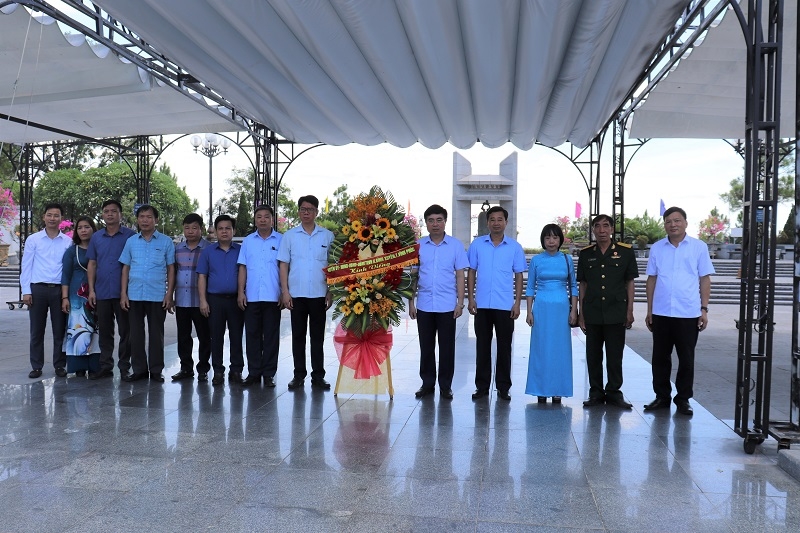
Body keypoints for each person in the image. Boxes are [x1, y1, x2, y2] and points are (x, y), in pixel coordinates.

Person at [644, 206, 714, 416]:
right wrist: (649, 310)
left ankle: (683, 399)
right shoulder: (657, 248)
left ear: (685, 222)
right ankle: (662, 396)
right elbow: (651, 279)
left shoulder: (698, 247)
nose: (673, 224)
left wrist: (704, 309)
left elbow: (705, 278)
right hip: (662, 312)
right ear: (664, 224)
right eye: (668, 221)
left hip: (688, 312)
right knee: (660, 358)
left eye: (677, 220)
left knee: (686, 359)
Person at [577, 214, 638, 408]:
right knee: (593, 355)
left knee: (614, 355)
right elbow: (583, 284)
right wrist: (581, 313)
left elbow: (630, 283)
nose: (601, 230)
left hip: (616, 310)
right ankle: (595, 392)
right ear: (593, 230)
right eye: (597, 226)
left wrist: (629, 310)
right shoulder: (586, 254)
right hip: (593, 310)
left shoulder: (625, 252)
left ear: (612, 229)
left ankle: (613, 392)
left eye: (606, 226)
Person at [409, 204, 469, 400]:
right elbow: (413, 276)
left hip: (447, 305)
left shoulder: (455, 246)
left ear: (445, 222)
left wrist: (460, 302)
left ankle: (445, 386)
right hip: (424, 304)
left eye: (439, 220)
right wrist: (411, 302)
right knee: (426, 347)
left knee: (446, 347)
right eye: (431, 220)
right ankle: (427, 384)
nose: (435, 224)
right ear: (426, 223)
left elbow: (460, 275)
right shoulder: (418, 246)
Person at [467, 205, 526, 401]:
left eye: (500, 219)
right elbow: (471, 272)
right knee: (482, 346)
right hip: (482, 304)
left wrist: (517, 303)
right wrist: (471, 298)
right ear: (487, 222)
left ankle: (503, 387)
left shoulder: (514, 247)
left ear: (506, 223)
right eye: (492, 219)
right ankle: (482, 387)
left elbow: (518, 276)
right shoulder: (477, 245)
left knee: (504, 346)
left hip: (504, 305)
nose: (496, 223)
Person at [278, 195, 334, 391]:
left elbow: (333, 266)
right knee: (298, 337)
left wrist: (331, 291)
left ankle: (318, 376)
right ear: (299, 211)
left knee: (317, 337)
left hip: (319, 294)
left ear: (317, 212)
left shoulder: (327, 236)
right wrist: (285, 292)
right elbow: (283, 264)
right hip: (297, 294)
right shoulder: (290, 236)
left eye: (310, 209)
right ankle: (298, 375)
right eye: (303, 209)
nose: (306, 212)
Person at [119, 204, 175, 382]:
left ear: (156, 220)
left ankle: (156, 370)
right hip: (134, 294)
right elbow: (125, 269)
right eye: (141, 217)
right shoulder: (131, 241)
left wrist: (169, 294)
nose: (145, 220)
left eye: (149, 217)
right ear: (137, 219)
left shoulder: (166, 242)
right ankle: (139, 370)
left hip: (157, 294)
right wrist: (123, 293)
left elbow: (171, 269)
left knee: (156, 334)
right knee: (135, 335)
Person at [525, 224, 578, 403]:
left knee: (560, 349)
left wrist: (574, 310)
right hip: (542, 308)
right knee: (541, 348)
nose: (551, 241)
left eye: (555, 237)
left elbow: (573, 287)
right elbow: (531, 287)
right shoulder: (536, 260)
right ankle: (540, 389)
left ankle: (558, 389)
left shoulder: (566, 259)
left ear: (560, 240)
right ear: (543, 240)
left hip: (562, 308)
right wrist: (529, 311)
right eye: (547, 238)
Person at [21, 203, 72, 378]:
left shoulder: (67, 241)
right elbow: (26, 266)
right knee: (37, 330)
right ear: (44, 217)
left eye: (56, 215)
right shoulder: (33, 239)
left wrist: (67, 295)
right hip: (38, 289)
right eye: (49, 215)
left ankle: (59, 365)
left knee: (60, 330)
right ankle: (36, 366)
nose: (52, 218)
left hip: (59, 290)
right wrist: (26, 290)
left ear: (61, 219)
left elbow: (68, 268)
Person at [86, 199, 136, 379]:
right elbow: (92, 264)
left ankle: (124, 367)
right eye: (106, 211)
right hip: (102, 292)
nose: (109, 214)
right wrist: (91, 290)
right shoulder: (97, 237)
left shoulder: (131, 236)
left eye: (113, 211)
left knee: (126, 332)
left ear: (120, 214)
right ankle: (106, 366)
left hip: (124, 293)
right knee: (105, 331)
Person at [238, 205, 282, 387]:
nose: (262, 219)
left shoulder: (281, 240)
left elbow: (285, 267)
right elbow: (242, 267)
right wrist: (240, 292)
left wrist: (284, 291)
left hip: (273, 296)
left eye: (266, 216)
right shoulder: (248, 241)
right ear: (255, 219)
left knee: (271, 336)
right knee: (252, 335)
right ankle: (254, 372)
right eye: (259, 217)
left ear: (272, 219)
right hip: (252, 296)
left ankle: (269, 373)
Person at [198, 214, 244, 386]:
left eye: (228, 228)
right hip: (214, 300)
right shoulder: (208, 252)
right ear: (215, 231)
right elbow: (202, 276)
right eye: (221, 228)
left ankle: (237, 370)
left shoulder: (240, 251)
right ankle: (218, 371)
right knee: (216, 337)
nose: (224, 232)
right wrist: (203, 300)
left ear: (233, 231)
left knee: (237, 336)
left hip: (236, 300)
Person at [171, 213, 212, 382]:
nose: (190, 231)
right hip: (182, 299)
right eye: (187, 228)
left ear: (201, 229)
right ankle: (186, 368)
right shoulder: (178, 248)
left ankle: (203, 368)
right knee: (183, 336)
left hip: (201, 301)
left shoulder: (208, 249)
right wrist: (170, 295)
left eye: (194, 228)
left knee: (204, 335)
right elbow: (173, 272)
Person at [60, 216, 100, 376]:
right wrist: (64, 298)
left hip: (98, 293)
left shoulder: (99, 248)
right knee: (78, 330)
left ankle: (96, 366)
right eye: (80, 227)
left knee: (97, 330)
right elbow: (65, 276)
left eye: (87, 227)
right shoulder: (72, 251)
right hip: (77, 297)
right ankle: (79, 368)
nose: (83, 230)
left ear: (93, 229)